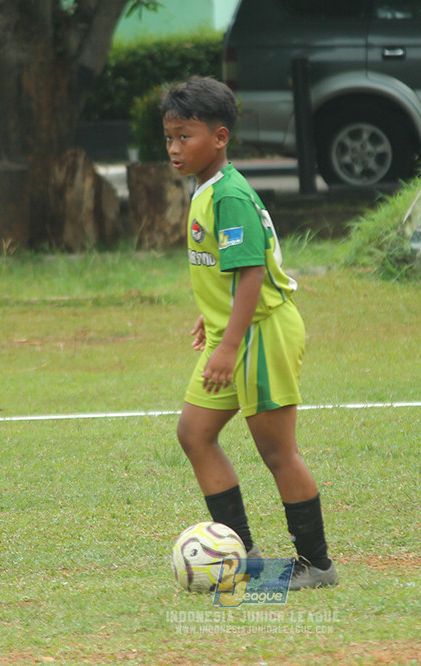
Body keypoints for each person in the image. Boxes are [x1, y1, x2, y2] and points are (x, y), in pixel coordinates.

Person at [162, 77, 337, 590]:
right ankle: (242, 556)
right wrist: (211, 316)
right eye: (169, 137)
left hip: (260, 334)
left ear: (219, 137)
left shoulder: (230, 196)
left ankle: (317, 564)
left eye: (185, 136)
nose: (175, 148)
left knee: (278, 452)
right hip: (234, 330)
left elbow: (251, 275)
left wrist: (230, 343)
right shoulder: (207, 188)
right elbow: (227, 269)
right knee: (195, 434)